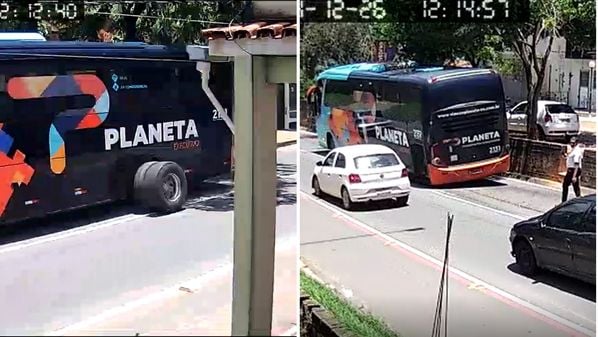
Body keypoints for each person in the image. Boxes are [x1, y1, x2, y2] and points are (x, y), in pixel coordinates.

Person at [562, 137, 583, 202]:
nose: (571, 144)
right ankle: (580, 199)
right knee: (575, 187)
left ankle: (563, 202)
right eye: (571, 142)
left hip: (573, 170)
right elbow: (570, 157)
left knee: (565, 185)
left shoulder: (577, 151)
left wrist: (574, 176)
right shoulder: (573, 149)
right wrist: (565, 155)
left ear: (576, 143)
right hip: (572, 170)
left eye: (573, 143)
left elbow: (576, 164)